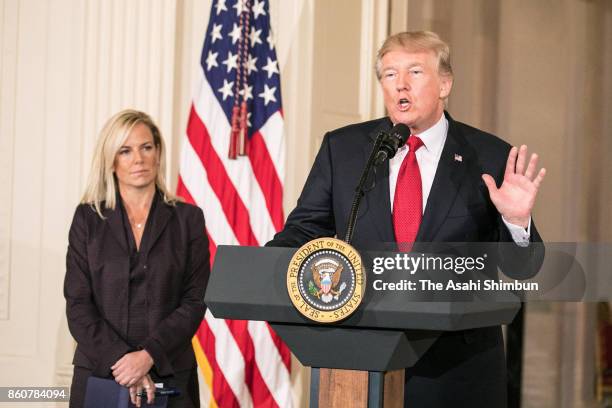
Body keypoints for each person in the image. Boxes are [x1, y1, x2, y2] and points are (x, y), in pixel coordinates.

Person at [267, 31, 546, 407]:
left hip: (458, 370)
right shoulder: (345, 149)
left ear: (445, 83)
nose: (400, 84)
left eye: (415, 72)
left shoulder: (490, 156)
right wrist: (263, 267)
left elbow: (523, 267)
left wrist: (516, 221)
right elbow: (304, 230)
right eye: (389, 74)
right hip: (360, 361)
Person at [64, 109, 209, 407]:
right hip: (103, 371)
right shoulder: (87, 219)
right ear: (112, 161)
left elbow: (195, 300)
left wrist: (147, 356)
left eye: (146, 147)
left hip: (170, 372)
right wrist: (124, 362)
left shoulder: (188, 219)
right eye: (126, 151)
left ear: (158, 152)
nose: (139, 159)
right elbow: (78, 304)